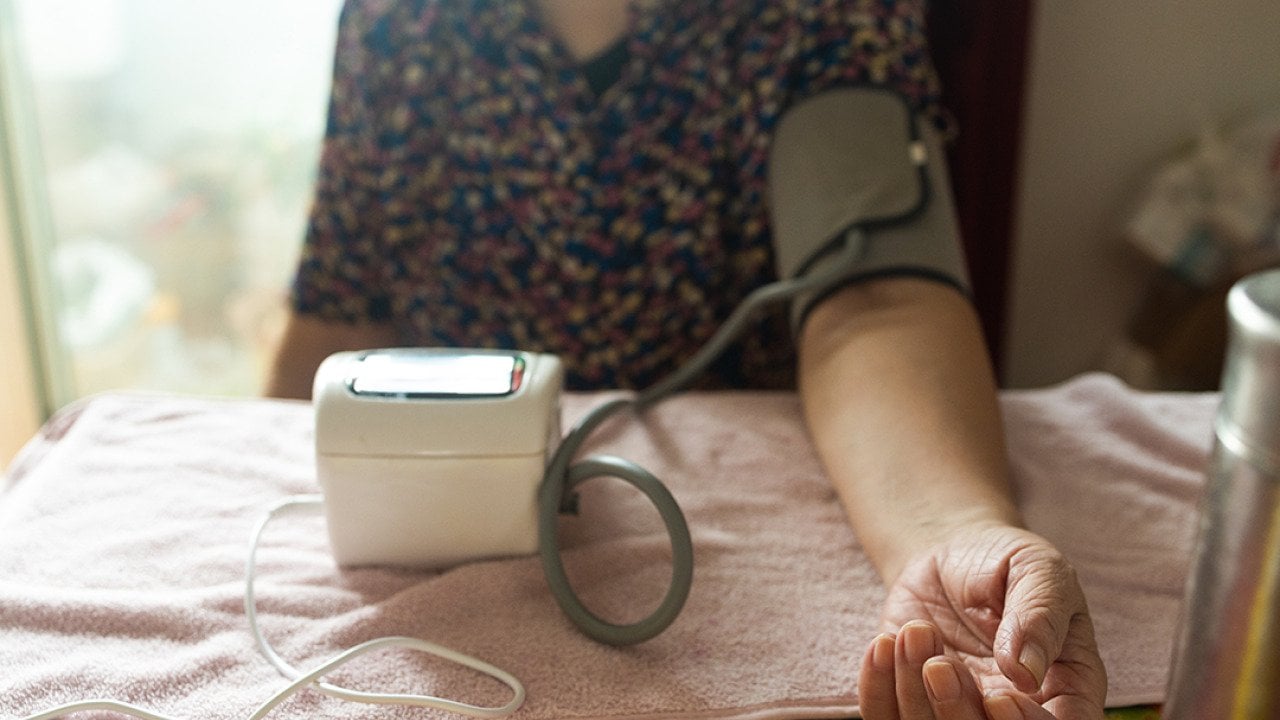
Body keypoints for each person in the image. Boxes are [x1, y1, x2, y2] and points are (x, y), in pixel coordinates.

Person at [265, 1, 1108, 717]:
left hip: (725, 565)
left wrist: (948, 536)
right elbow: (333, 319)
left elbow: (872, 300)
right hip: (426, 555)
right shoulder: (400, 20)